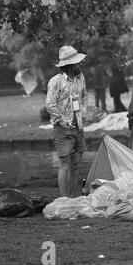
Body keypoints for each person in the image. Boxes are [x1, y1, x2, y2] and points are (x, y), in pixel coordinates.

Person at [45, 46, 88, 198]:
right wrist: (62, 121)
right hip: (63, 129)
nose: (80, 64)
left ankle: (74, 196)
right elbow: (50, 104)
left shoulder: (80, 77)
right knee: (65, 164)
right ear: (69, 64)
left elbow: (83, 96)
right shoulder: (56, 81)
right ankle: (64, 199)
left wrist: (83, 114)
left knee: (76, 164)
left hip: (78, 127)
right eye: (77, 62)